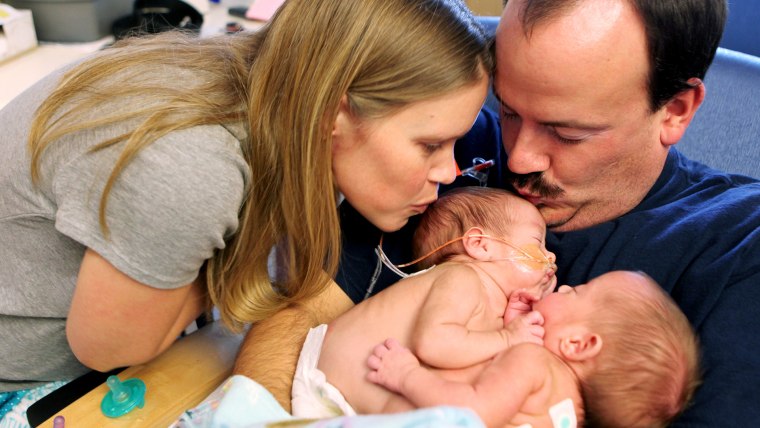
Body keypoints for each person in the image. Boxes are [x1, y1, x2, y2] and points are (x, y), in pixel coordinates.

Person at [235, 0, 760, 426]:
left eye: (567, 132)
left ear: (676, 110)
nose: (520, 158)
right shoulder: (450, 151)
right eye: (508, 109)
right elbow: (297, 323)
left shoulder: (739, 245)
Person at [0, 0, 493, 412]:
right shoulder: (192, 168)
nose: (449, 173)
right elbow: (110, 348)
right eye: (430, 145)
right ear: (332, 113)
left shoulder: (265, 86)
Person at [290, 186, 556, 417]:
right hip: (327, 384)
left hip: (352, 400)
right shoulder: (461, 278)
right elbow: (435, 344)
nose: (551, 256)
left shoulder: (484, 301)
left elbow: (466, 356)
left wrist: (511, 323)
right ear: (480, 244)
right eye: (538, 243)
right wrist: (508, 338)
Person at [367, 271, 700, 428]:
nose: (566, 286)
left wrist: (406, 375)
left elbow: (472, 412)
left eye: (576, 292)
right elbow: (503, 391)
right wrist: (512, 328)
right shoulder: (566, 412)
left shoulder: (533, 361)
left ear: (577, 344)